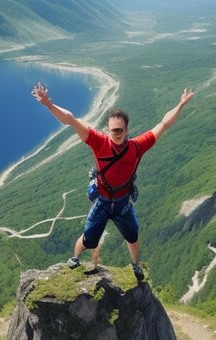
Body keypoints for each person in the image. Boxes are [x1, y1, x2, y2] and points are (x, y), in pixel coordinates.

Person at [31, 82, 194, 281]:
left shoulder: (136, 147)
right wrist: (49, 104)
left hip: (123, 201)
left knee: (132, 235)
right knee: (89, 239)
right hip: (102, 200)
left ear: (127, 130)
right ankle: (74, 258)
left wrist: (181, 105)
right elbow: (71, 120)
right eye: (113, 130)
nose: (116, 134)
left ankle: (135, 265)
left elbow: (163, 124)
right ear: (107, 130)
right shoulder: (98, 142)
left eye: (120, 130)